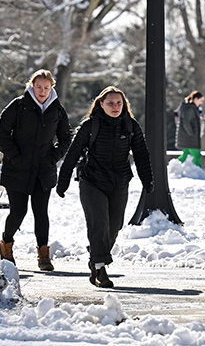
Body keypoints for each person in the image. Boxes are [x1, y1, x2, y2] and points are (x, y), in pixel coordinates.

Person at [56, 87, 153, 288]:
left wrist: (147, 180)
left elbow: (142, 155)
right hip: (92, 181)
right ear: (101, 104)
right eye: (110, 103)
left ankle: (95, 256)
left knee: (114, 226)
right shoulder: (91, 125)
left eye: (119, 103)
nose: (115, 107)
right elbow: (73, 153)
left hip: (119, 182)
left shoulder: (130, 126)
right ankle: (100, 268)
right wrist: (63, 180)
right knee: (99, 223)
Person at [0, 69, 70, 270]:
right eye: (39, 87)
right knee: (18, 212)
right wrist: (15, 157)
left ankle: (44, 255)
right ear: (31, 86)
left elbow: (65, 138)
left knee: (41, 212)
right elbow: (2, 133)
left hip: (43, 170)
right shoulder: (19, 106)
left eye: (46, 88)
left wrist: (53, 157)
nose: (42, 91)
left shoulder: (57, 110)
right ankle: (6, 244)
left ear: (51, 87)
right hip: (17, 169)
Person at [176, 91, 204, 166]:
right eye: (200, 100)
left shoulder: (190, 108)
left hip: (187, 137)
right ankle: (199, 171)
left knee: (185, 155)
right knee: (197, 156)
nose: (201, 102)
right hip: (190, 138)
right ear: (196, 99)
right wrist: (192, 134)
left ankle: (174, 167)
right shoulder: (189, 109)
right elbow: (186, 123)